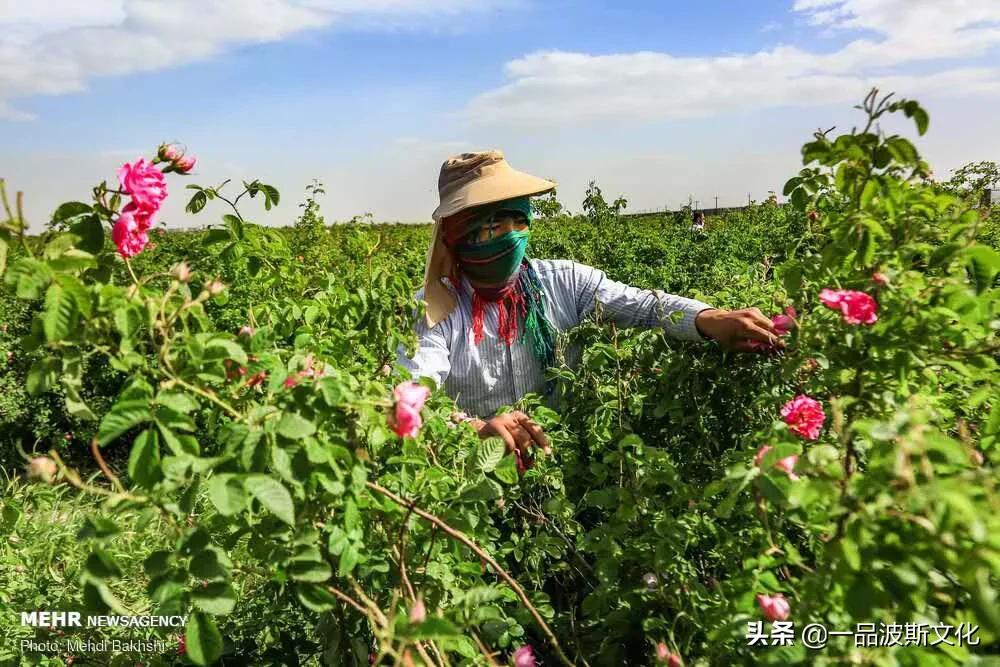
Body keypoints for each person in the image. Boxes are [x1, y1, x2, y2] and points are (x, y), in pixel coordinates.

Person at [397, 151, 784, 467]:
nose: (511, 237)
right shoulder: (434, 312)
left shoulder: (563, 282)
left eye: (519, 221)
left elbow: (645, 306)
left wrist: (706, 318)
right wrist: (475, 430)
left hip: (566, 469)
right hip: (474, 481)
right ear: (460, 236)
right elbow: (412, 402)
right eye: (492, 227)